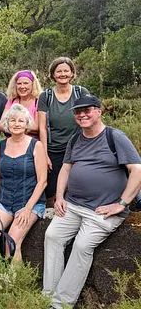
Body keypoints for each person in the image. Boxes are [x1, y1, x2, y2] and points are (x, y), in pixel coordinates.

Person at [43, 95, 141, 309]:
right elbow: (66, 168)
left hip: (103, 209)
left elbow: (137, 169)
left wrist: (122, 203)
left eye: (87, 110)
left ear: (98, 111)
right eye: (78, 112)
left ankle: (60, 304)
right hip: (74, 204)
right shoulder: (76, 138)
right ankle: (47, 296)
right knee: (52, 236)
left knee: (82, 245)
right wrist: (59, 197)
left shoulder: (114, 137)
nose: (82, 115)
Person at [0, 104, 47, 261]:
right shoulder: (1, 145)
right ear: (7, 123)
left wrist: (27, 209)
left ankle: (13, 283)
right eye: (12, 120)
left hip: (29, 202)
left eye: (21, 121)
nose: (16, 124)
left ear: (27, 124)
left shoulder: (36, 145)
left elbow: (42, 181)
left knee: (11, 242)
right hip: (3, 202)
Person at [37, 57, 89, 202]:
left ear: (72, 73)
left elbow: (91, 118)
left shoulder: (81, 93)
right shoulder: (45, 96)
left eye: (66, 71)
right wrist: (44, 154)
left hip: (78, 147)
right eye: (59, 71)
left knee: (78, 185)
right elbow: (42, 127)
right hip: (54, 149)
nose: (63, 74)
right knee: (51, 190)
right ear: (53, 74)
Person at [0, 70, 42, 139]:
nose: (22, 86)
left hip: (32, 144)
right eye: (19, 83)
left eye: (26, 83)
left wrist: (13, 126)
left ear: (33, 85)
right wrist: (25, 127)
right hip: (11, 143)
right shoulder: (12, 101)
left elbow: (37, 127)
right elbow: (1, 125)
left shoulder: (38, 102)